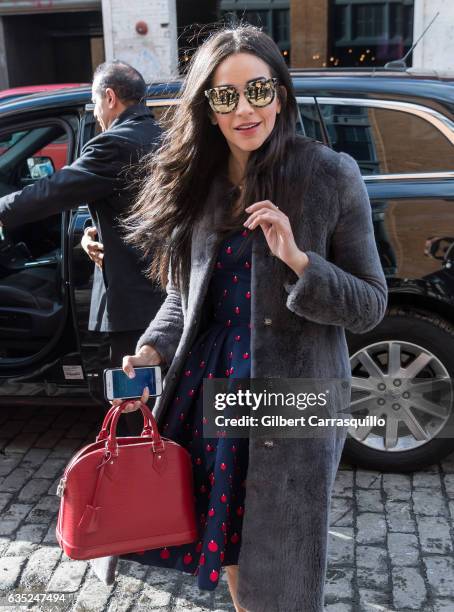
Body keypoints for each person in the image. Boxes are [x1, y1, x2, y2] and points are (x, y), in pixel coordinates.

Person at [97, 25, 388, 612]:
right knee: (231, 545)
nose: (245, 109)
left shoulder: (328, 174)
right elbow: (185, 296)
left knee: (276, 562)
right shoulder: (196, 182)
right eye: (225, 96)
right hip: (211, 389)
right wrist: (153, 349)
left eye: (258, 89)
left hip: (291, 394)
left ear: (280, 93)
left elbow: (369, 305)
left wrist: (299, 260)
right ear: (208, 107)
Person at [0, 60, 164, 436]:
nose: (94, 112)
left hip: (133, 308)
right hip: (163, 299)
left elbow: (53, 191)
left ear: (109, 97)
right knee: (160, 406)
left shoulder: (114, 144)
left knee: (131, 412)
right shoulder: (161, 136)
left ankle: (137, 481)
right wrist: (94, 230)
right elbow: (137, 208)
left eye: (94, 103)